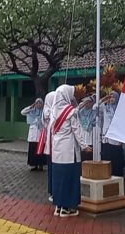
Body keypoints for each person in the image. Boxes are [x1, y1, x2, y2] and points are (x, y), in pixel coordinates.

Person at [48, 84, 91, 218]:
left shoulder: (53, 111)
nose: (72, 97)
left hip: (57, 152)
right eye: (71, 94)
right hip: (69, 152)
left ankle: (59, 207)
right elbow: (77, 130)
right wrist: (85, 146)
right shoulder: (70, 111)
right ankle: (67, 209)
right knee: (70, 179)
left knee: (59, 179)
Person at [100, 91, 125, 177]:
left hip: (116, 138)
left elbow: (123, 124)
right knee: (107, 158)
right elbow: (95, 107)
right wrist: (104, 99)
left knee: (116, 159)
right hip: (106, 138)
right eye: (110, 97)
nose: (111, 99)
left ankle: (117, 176)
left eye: (113, 97)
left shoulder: (120, 109)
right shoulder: (105, 107)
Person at [40, 89, 58, 202]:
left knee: (55, 169)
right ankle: (52, 191)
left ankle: (54, 191)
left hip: (55, 145)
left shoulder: (53, 110)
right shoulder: (48, 111)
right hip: (51, 145)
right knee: (52, 170)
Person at [20, 99, 47, 171]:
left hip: (41, 135)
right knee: (33, 150)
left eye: (40, 103)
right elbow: (22, 112)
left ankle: (41, 165)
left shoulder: (44, 112)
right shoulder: (31, 111)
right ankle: (34, 165)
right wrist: (31, 107)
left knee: (41, 150)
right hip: (33, 135)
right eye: (37, 103)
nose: (38, 104)